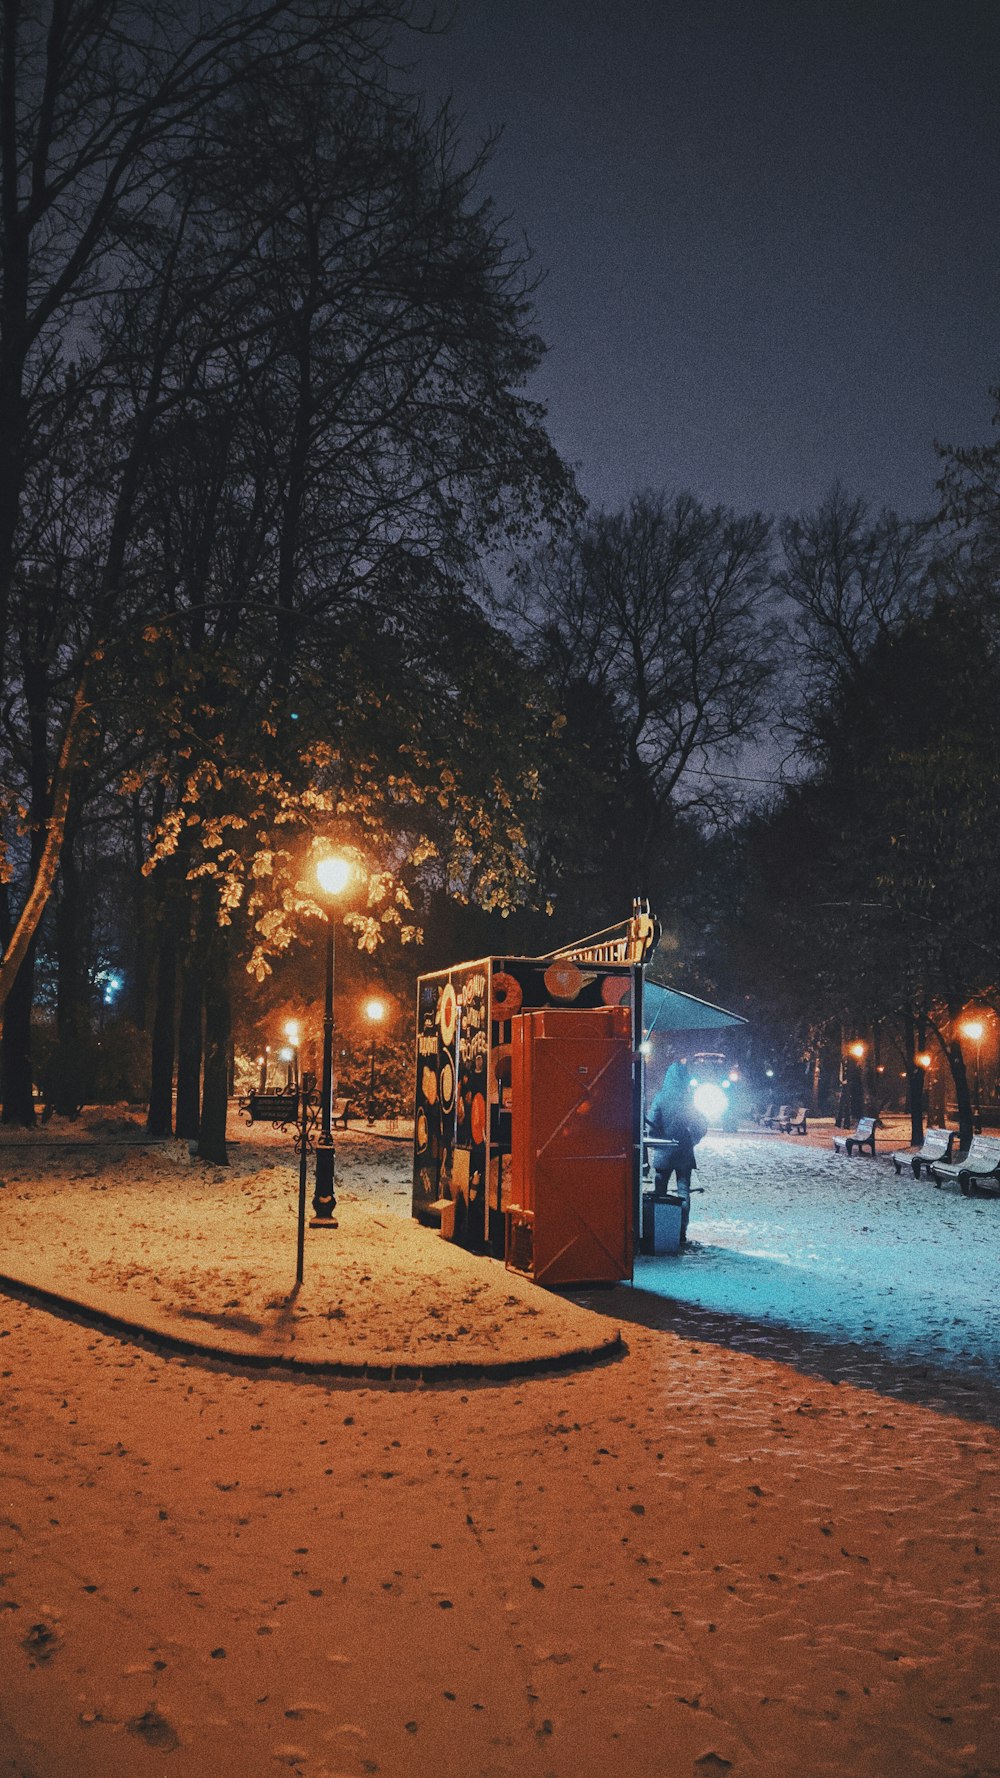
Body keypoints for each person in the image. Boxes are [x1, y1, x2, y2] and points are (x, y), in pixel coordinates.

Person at [646, 1053, 707, 1247]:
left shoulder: (661, 1098)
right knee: (683, 1192)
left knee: (660, 1192)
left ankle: (661, 1231)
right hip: (684, 1153)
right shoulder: (688, 1098)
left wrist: (658, 1140)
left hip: (664, 1152)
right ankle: (681, 1232)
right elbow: (701, 1124)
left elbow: (652, 1125)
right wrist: (692, 1140)